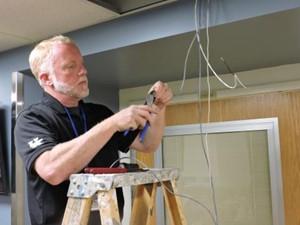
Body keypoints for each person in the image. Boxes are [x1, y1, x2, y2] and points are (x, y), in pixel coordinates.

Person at [14, 35, 172, 225]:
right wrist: (111, 124)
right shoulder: (32, 119)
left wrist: (159, 109)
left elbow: (148, 144)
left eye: (82, 64)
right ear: (47, 79)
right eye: (71, 66)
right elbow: (52, 170)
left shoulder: (99, 113)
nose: (83, 71)